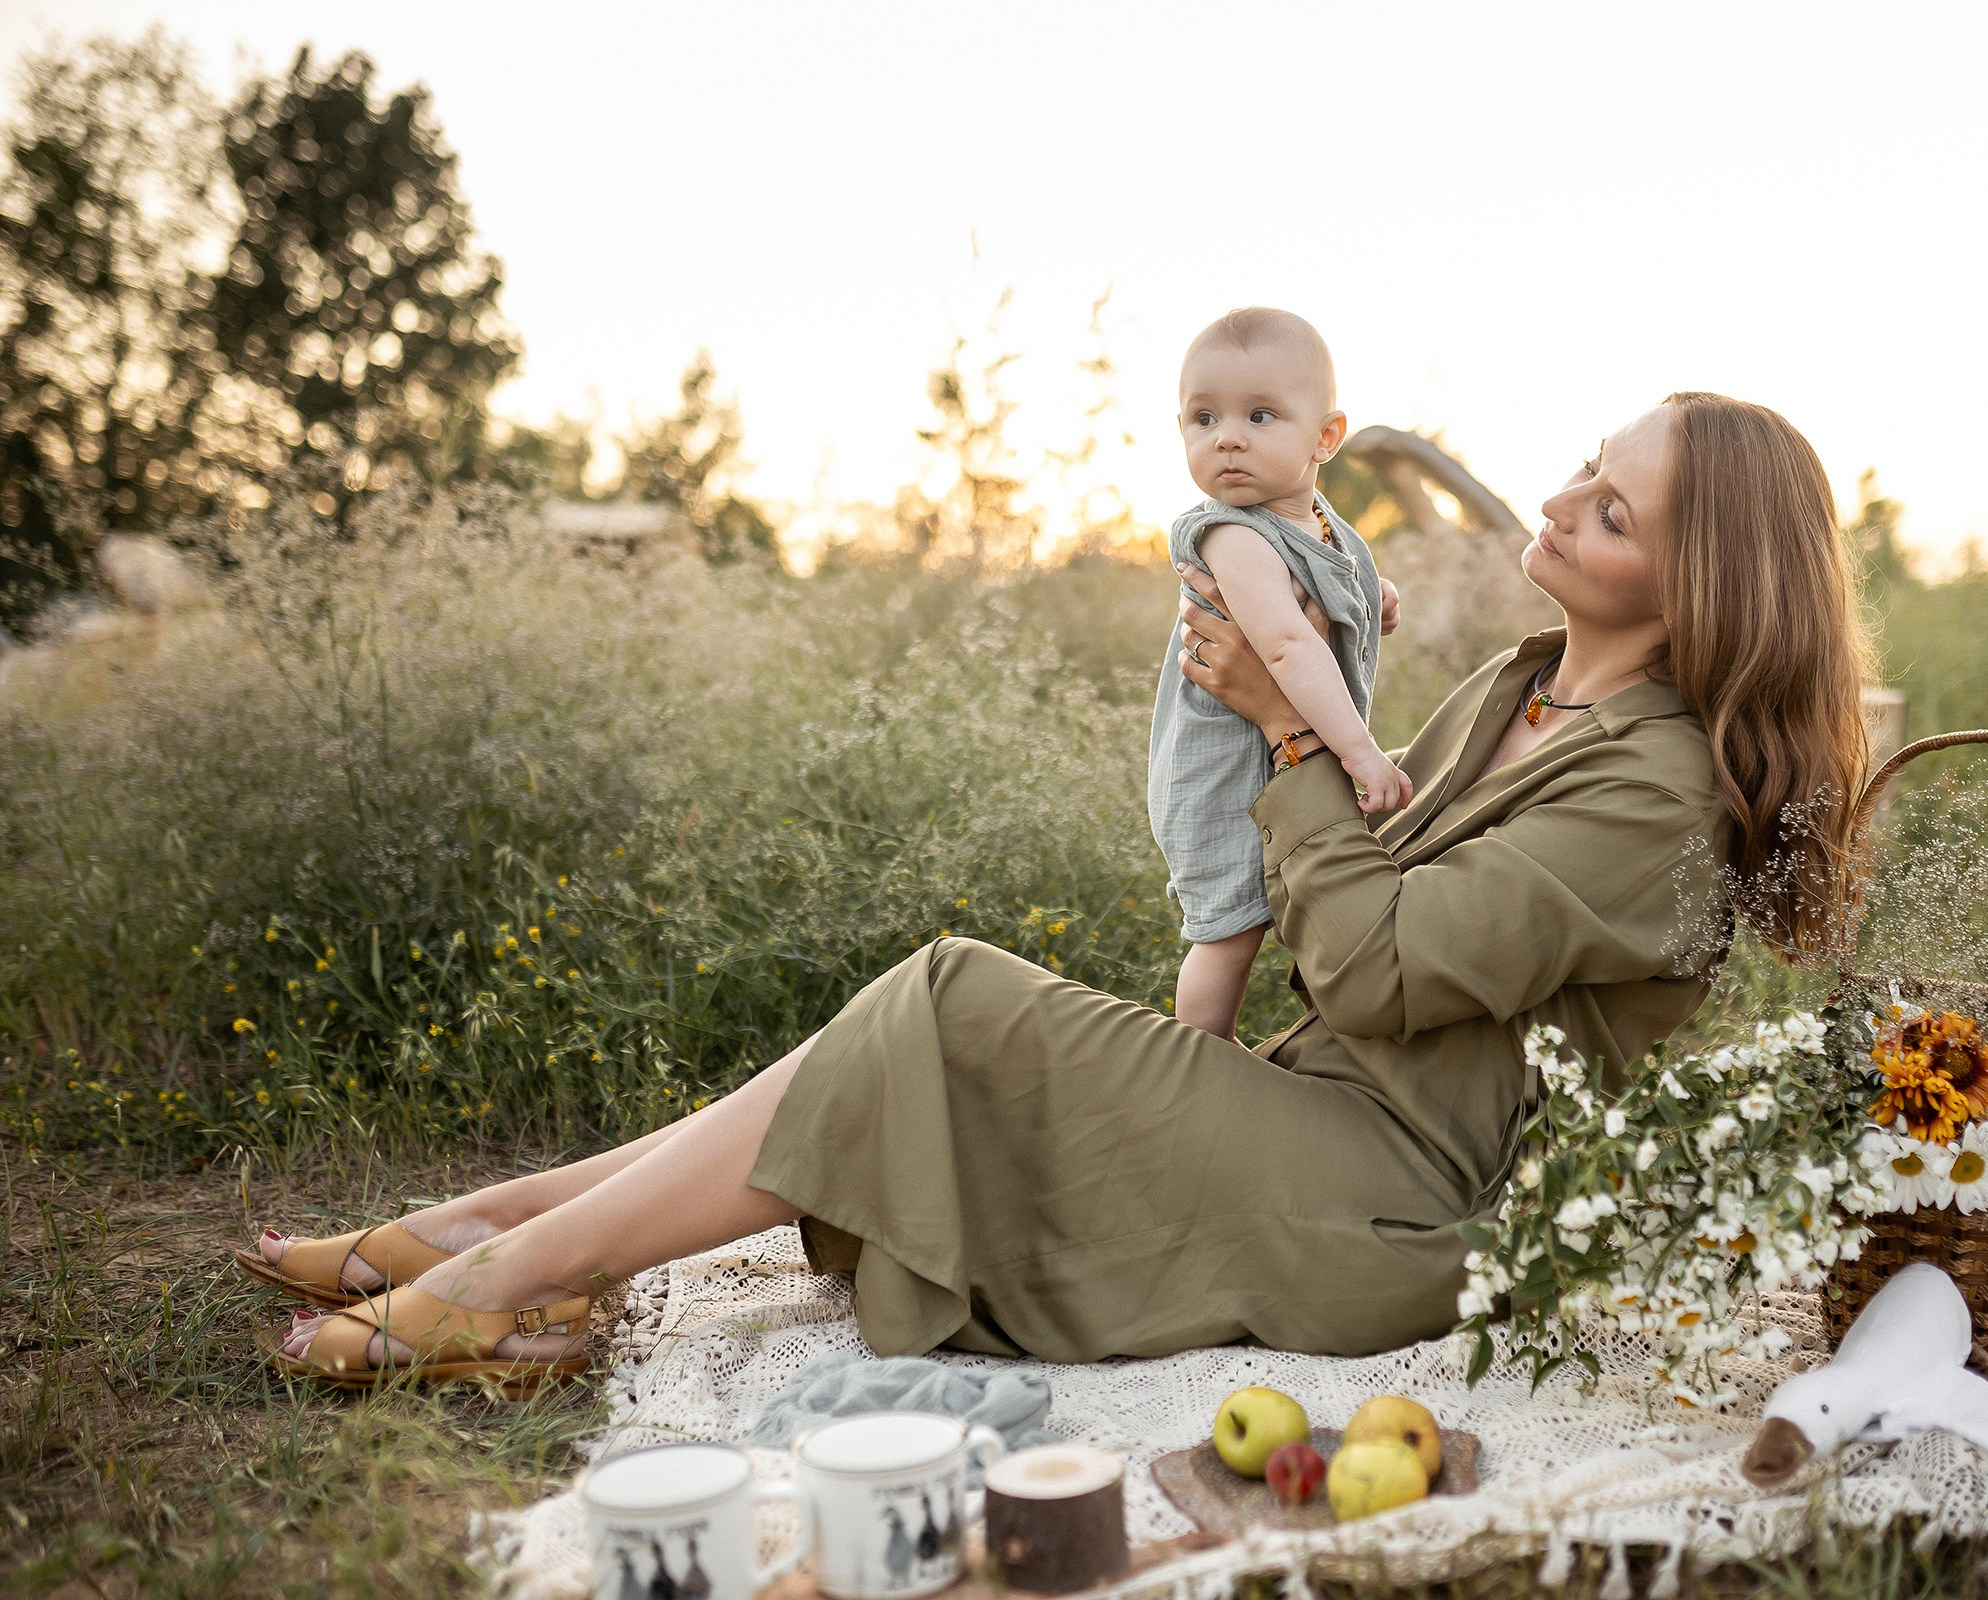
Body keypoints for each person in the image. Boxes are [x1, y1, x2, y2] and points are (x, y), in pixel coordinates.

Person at [243, 392, 1872, 1387]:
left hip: (1395, 1209)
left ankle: (496, 1273)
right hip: (1318, 1112)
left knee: (951, 1003)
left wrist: (1284, 741)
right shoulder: (1527, 683)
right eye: (1585, 468)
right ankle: (495, 1234)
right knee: (916, 1034)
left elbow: (1371, 969)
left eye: (1615, 503)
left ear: (1696, 570)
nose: (1568, 497)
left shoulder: (1653, 791)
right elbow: (1357, 931)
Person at [1149, 308, 1404, 1038]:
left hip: (1280, 762)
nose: (1226, 436)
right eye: (1204, 418)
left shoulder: (1317, 518)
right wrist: (1361, 753)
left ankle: (1326, 1038)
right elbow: (1288, 647)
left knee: (1297, 909)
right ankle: (1202, 1055)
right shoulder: (1232, 533)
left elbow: (1335, 575)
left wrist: (1374, 596)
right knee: (1228, 931)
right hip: (1224, 775)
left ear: (1325, 437)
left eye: (1260, 415)